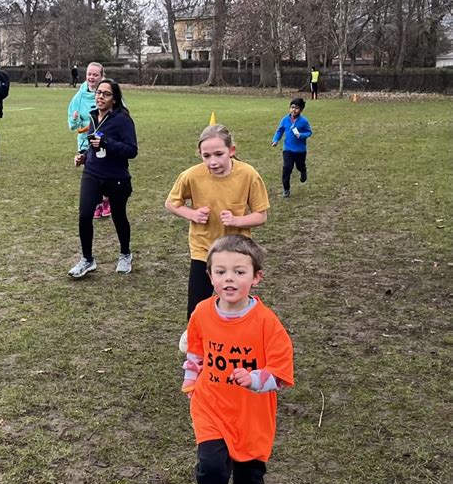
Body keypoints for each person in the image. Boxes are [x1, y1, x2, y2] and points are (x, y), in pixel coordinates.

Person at [181, 235, 294, 484]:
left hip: (251, 412)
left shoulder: (266, 323)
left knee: (248, 472)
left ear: (256, 277)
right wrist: (191, 381)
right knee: (212, 467)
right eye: (221, 272)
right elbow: (196, 350)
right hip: (211, 405)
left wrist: (256, 378)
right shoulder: (202, 311)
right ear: (210, 276)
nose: (229, 278)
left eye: (239, 272)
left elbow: (282, 371)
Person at [164, 124, 270, 352]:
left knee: (233, 299)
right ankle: (196, 345)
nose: (213, 162)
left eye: (219, 154)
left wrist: (236, 221)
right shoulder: (191, 175)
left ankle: (231, 341)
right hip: (204, 249)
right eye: (206, 156)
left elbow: (261, 216)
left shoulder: (249, 174)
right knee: (198, 303)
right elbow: (171, 203)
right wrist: (191, 213)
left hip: (236, 251)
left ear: (231, 150)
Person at [68, 78, 138, 279]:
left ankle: (125, 253)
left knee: (118, 216)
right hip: (92, 173)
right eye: (99, 92)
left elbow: (132, 151)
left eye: (106, 94)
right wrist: (83, 155)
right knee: (84, 215)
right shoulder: (92, 116)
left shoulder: (123, 120)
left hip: (116, 176)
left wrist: (106, 142)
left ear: (114, 99)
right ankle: (87, 259)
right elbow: (92, 144)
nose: (100, 97)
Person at [68, 62, 111, 219]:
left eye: (95, 74)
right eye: (89, 74)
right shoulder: (79, 97)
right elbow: (73, 124)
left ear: (101, 76)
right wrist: (75, 119)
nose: (91, 77)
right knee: (91, 175)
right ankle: (98, 203)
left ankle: (106, 199)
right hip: (85, 142)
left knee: (103, 173)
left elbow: (118, 116)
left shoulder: (108, 93)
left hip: (103, 141)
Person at [271, 97, 312, 198]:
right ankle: (286, 189)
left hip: (300, 150)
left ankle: (303, 171)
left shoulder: (303, 121)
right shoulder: (285, 120)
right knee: (287, 168)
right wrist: (276, 140)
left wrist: (301, 135)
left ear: (301, 110)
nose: (294, 110)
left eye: (296, 108)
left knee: (299, 165)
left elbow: (309, 132)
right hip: (288, 149)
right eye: (292, 107)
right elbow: (280, 130)